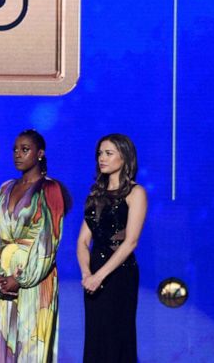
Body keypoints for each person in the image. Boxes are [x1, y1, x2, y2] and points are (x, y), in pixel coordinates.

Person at [0, 130, 68, 362]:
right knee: (3, 345)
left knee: (30, 346)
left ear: (40, 154)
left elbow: (48, 240)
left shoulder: (50, 189)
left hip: (34, 279)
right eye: (15, 149)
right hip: (4, 279)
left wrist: (21, 279)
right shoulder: (5, 188)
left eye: (25, 149)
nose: (18, 154)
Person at [77, 134, 147, 363]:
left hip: (119, 273)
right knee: (96, 336)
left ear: (124, 157)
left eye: (109, 153)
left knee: (118, 335)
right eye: (100, 153)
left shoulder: (135, 193)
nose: (102, 158)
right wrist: (88, 274)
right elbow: (82, 241)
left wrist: (100, 275)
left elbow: (131, 241)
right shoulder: (95, 195)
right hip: (94, 273)